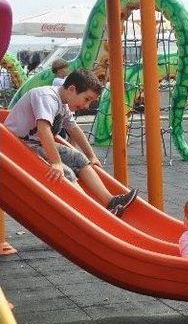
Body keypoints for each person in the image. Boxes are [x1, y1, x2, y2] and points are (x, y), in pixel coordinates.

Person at [4, 69, 138, 216]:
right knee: (64, 172)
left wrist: (91, 156)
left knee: (78, 158)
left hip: (35, 144)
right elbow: (43, 129)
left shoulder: (64, 104)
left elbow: (74, 128)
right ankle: (95, 212)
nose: (87, 106)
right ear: (72, 89)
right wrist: (56, 162)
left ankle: (110, 201)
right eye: (87, 99)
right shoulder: (46, 97)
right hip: (15, 146)